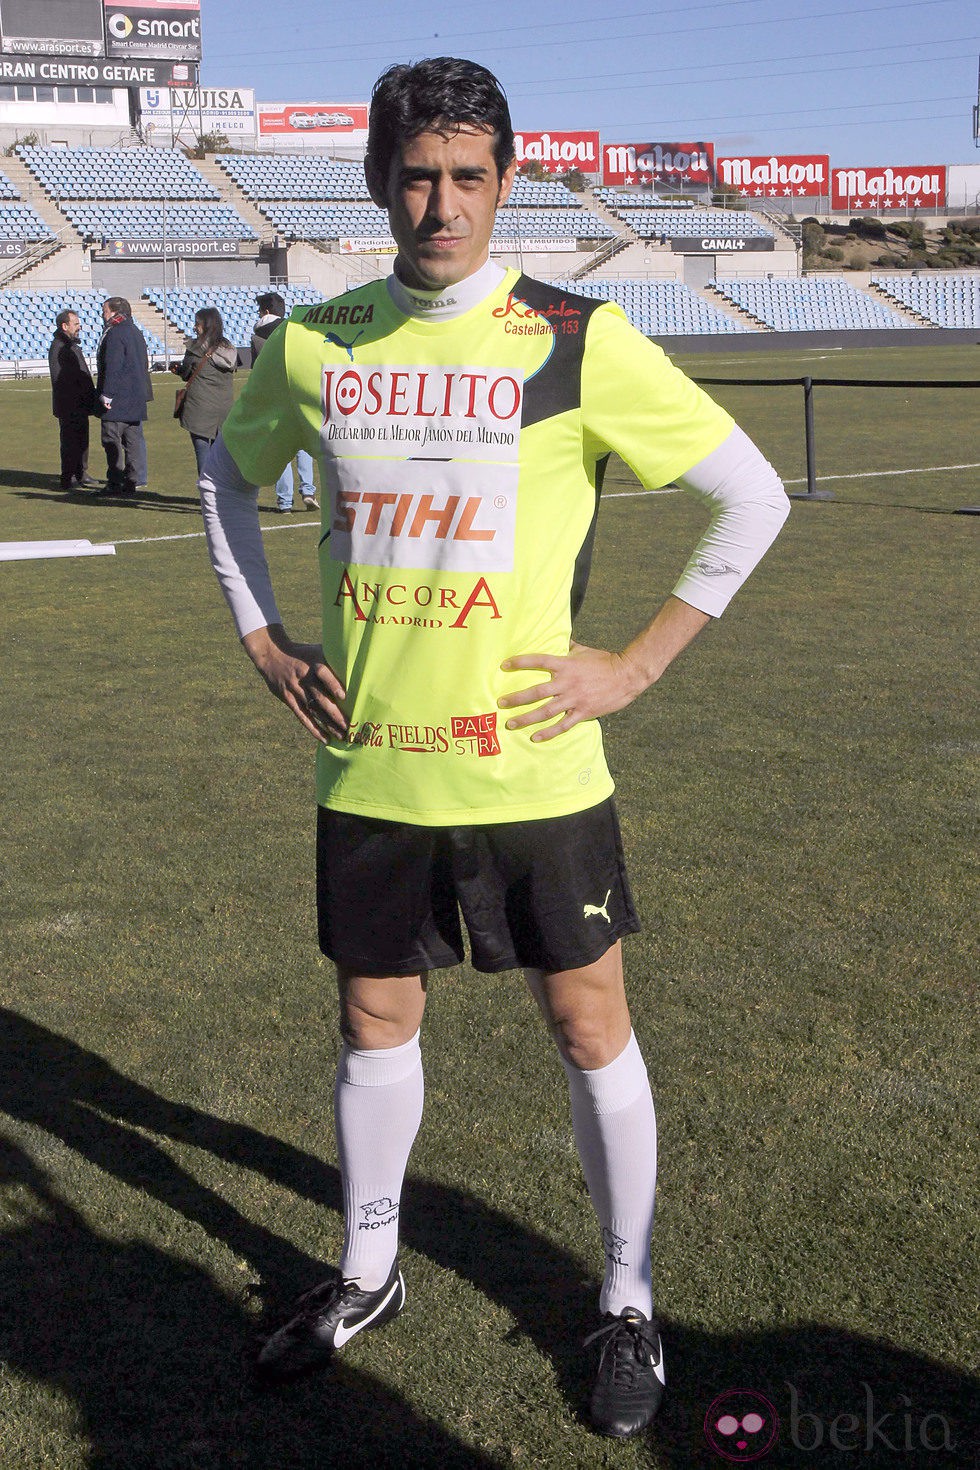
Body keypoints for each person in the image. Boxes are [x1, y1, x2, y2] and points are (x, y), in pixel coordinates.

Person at [200, 57, 790, 1441]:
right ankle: (367, 1268)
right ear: (377, 180)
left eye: (468, 176)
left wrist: (634, 663)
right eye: (416, 173)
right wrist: (264, 639)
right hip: (378, 765)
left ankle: (629, 1294)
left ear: (506, 182)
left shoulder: (578, 337)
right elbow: (227, 480)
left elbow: (751, 497)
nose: (441, 202)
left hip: (536, 768)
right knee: (372, 1021)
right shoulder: (318, 339)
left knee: (590, 1022)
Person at [251, 290, 319, 513]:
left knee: (281, 449)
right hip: (298, 391)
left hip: (273, 396)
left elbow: (257, 371)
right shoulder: (294, 328)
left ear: (265, 311)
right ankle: (308, 490)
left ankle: (285, 502)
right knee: (303, 445)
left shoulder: (257, 335)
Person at [169, 307, 238, 475]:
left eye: (197, 324)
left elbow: (186, 373)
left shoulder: (196, 348)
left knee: (202, 451)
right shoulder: (229, 348)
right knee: (220, 454)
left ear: (205, 325)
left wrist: (178, 370)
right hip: (224, 408)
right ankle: (220, 491)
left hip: (200, 407)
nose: (194, 327)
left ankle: (207, 492)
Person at [95, 296, 151, 497]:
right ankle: (133, 479)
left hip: (118, 400)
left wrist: (107, 394)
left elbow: (113, 366)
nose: (103, 314)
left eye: (105, 310)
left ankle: (115, 481)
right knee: (133, 442)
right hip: (135, 398)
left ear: (114, 312)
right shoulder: (135, 331)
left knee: (112, 440)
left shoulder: (115, 333)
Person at [47, 308, 98, 490]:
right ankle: (68, 477)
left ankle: (81, 472)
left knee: (82, 440)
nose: (79, 327)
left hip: (80, 403)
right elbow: (60, 380)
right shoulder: (59, 347)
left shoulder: (71, 345)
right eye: (75, 324)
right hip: (70, 405)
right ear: (64, 326)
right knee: (70, 442)